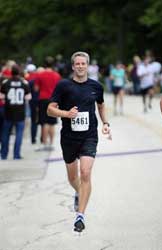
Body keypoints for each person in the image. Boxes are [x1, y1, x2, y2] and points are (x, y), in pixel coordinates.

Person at [47, 51, 111, 232]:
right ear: (73, 66)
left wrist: (105, 123)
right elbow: (50, 110)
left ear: (88, 66)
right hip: (68, 137)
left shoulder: (96, 86)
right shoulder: (63, 86)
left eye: (84, 63)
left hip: (89, 136)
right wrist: (66, 114)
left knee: (85, 173)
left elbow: (100, 104)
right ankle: (78, 191)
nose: (81, 66)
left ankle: (80, 216)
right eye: (78, 64)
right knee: (73, 177)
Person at [0, 64, 31, 160]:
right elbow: (28, 97)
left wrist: (6, 99)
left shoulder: (6, 82)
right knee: (19, 133)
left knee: (5, 133)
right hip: (20, 112)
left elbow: (1, 96)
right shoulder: (24, 82)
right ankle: (16, 154)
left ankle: (4, 154)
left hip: (8, 111)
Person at [34, 56, 61, 149]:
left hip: (43, 99)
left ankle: (44, 143)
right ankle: (52, 143)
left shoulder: (40, 75)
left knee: (44, 122)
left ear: (44, 64)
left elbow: (36, 88)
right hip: (53, 99)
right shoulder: (56, 75)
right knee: (52, 122)